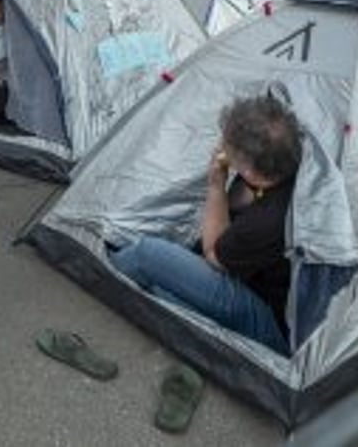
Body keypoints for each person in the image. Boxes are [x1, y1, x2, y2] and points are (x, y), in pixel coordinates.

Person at [107, 95, 303, 354]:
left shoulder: (268, 221)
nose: (220, 146)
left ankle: (103, 272)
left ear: (252, 171)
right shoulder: (287, 167)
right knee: (162, 293)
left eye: (227, 145)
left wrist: (216, 185)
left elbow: (213, 255)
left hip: (273, 326)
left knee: (147, 254)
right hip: (257, 283)